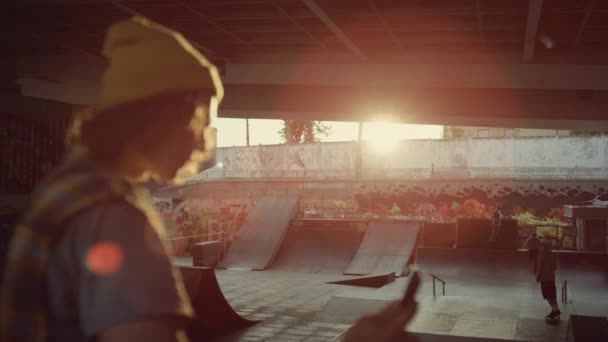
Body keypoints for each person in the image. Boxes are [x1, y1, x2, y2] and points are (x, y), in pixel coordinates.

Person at [0, 16, 418, 342]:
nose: (203, 139)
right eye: (201, 117)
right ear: (163, 116)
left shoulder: (63, 190)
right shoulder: (116, 217)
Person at [536, 239, 560, 320]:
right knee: (552, 295)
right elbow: (555, 266)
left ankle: (554, 310)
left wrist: (538, 277)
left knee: (548, 295)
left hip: (544, 278)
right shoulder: (552, 253)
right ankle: (556, 309)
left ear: (543, 246)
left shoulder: (542, 254)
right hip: (551, 277)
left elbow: (539, 267)